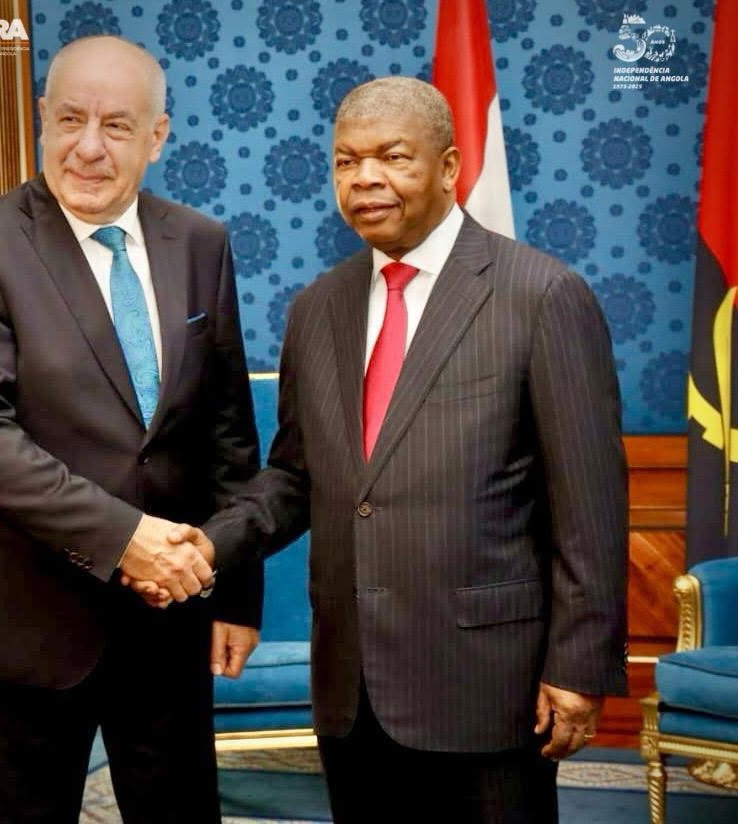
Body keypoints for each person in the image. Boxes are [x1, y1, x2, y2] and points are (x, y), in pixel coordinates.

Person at [175, 77, 629, 823]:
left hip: (488, 685)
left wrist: (579, 666)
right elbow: (295, 478)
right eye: (346, 161)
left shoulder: (541, 295)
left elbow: (590, 503)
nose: (365, 179)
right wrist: (208, 543)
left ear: (448, 167)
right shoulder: (316, 309)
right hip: (353, 689)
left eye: (392, 157)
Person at [0, 35, 262, 824]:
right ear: (43, 118)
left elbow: (226, 433)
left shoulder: (200, 243)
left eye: (116, 126)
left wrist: (237, 596)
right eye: (70, 119)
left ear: (157, 136)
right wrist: (126, 538)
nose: (87, 147)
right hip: (22, 630)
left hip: (169, 628)